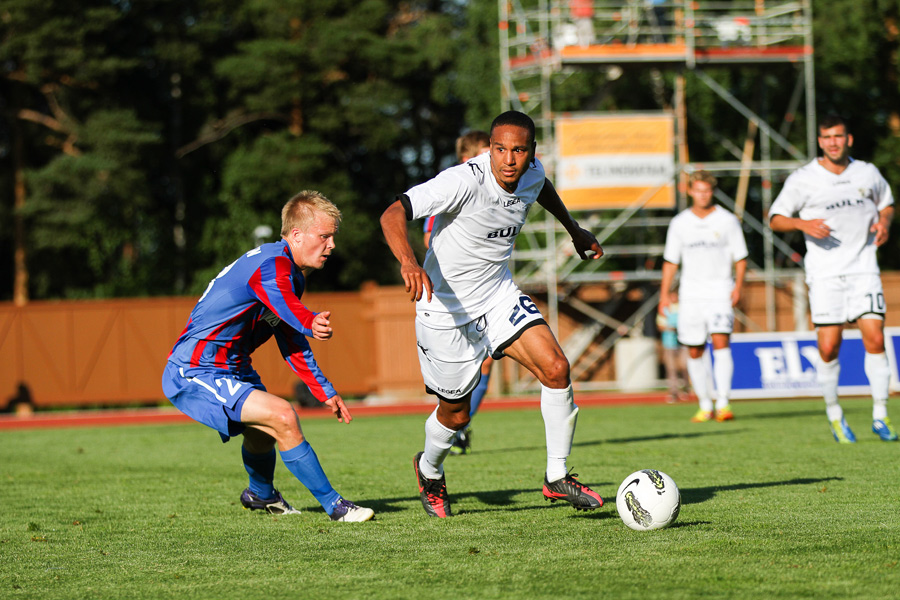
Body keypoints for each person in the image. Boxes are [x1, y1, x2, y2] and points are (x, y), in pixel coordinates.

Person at [381, 110, 605, 518]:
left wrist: (574, 230)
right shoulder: (463, 180)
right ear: (489, 147)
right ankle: (429, 470)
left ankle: (556, 476)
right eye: (500, 149)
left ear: (531, 152)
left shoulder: (532, 173)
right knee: (456, 414)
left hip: (497, 295)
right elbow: (392, 213)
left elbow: (543, 188)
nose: (508, 159)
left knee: (556, 368)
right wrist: (409, 262)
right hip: (445, 308)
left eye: (518, 150)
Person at [161, 190, 375, 522]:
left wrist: (324, 391)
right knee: (284, 416)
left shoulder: (290, 274)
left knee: (263, 432)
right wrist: (309, 320)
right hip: (197, 367)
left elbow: (290, 340)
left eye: (333, 236)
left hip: (232, 366)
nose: (332, 245)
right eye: (325, 236)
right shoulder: (273, 265)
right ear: (297, 235)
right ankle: (335, 506)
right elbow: (293, 315)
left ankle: (260, 495)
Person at [769, 114, 897, 443]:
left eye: (838, 136)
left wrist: (884, 222)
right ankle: (835, 414)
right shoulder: (803, 178)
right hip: (825, 275)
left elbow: (887, 204)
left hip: (863, 269)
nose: (833, 142)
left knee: (874, 338)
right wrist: (802, 225)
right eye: (827, 137)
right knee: (828, 347)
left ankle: (881, 415)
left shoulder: (867, 173)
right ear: (820, 141)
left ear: (848, 139)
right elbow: (775, 218)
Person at [423, 130, 492, 455]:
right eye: (485, 152)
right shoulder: (452, 187)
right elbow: (428, 240)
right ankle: (452, 426)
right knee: (456, 381)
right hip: (451, 298)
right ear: (468, 157)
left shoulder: (492, 190)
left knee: (487, 363)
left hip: (485, 291)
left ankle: (460, 428)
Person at [659, 170, 748, 423]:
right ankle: (704, 404)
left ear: (712, 192)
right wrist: (665, 295)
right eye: (698, 190)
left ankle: (723, 403)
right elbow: (670, 261)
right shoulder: (680, 223)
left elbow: (740, 258)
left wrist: (738, 286)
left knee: (721, 343)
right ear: (690, 191)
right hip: (690, 295)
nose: (702, 195)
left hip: (720, 291)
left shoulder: (727, 220)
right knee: (694, 349)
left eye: (707, 190)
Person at [656, 292, 690, 404]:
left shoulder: (684, 307)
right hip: (669, 342)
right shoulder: (665, 308)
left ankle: (686, 388)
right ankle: (673, 392)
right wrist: (671, 328)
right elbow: (660, 325)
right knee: (671, 369)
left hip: (683, 341)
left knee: (684, 366)